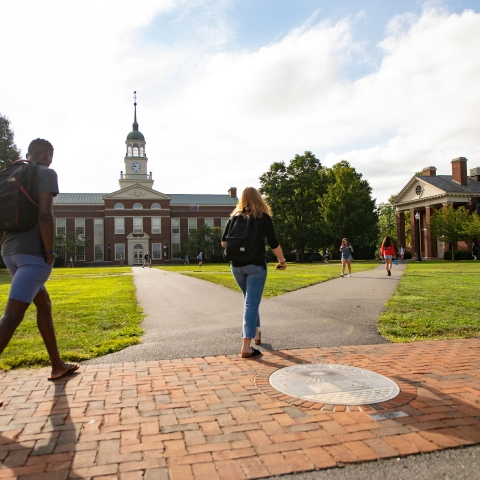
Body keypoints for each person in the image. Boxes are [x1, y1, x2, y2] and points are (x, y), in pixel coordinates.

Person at [0, 139, 79, 386]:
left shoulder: (11, 175)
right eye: (50, 156)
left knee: (43, 304)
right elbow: (45, 214)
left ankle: (57, 366)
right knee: (12, 316)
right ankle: (57, 365)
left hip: (10, 252)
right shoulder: (46, 173)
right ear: (48, 154)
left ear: (27, 154)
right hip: (33, 255)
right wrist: (49, 251)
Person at [221, 187, 286, 358]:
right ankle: (246, 346)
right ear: (258, 198)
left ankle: (256, 334)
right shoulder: (263, 218)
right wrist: (282, 261)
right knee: (251, 303)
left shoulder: (233, 218)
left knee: (250, 300)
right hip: (256, 265)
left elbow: (223, 243)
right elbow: (273, 243)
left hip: (236, 266)